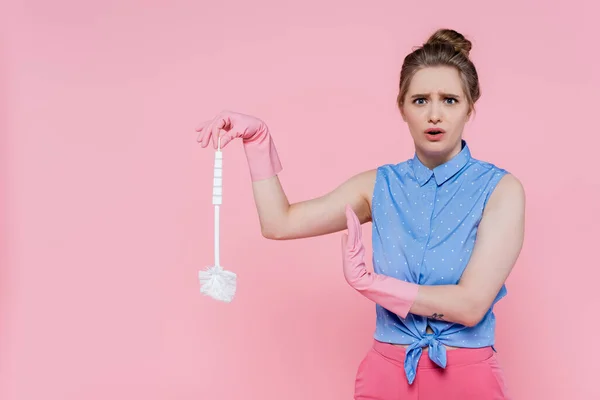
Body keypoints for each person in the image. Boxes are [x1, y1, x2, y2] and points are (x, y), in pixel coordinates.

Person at [195, 28, 524, 400]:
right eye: (420, 100)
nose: (434, 114)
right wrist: (257, 143)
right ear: (402, 108)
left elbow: (470, 305)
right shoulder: (378, 186)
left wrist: (371, 283)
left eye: (449, 100)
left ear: (469, 107)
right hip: (385, 374)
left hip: (466, 378)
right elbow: (279, 223)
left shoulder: (500, 190)